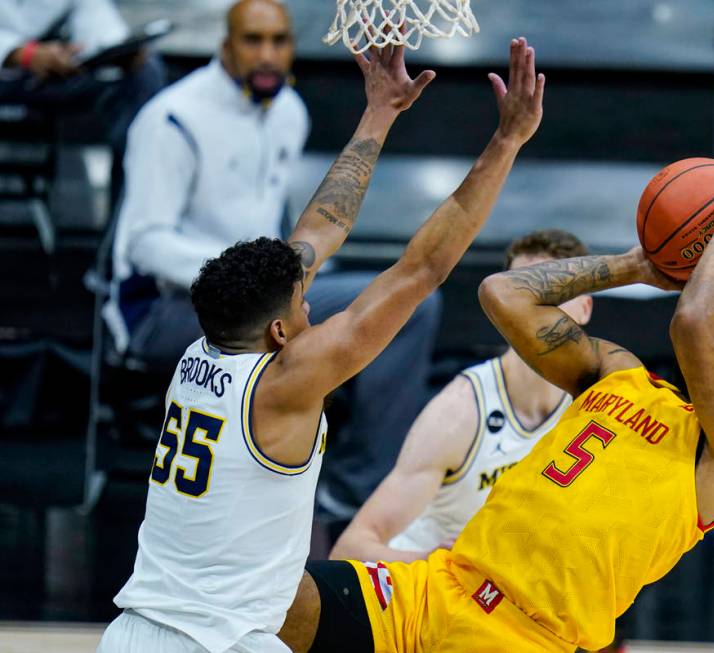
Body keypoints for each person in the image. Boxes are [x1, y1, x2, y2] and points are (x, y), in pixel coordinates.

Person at [98, 32, 543, 653]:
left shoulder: (202, 350)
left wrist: (379, 111)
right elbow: (422, 270)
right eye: (303, 302)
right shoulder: (283, 385)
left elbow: (318, 228)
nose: (310, 303)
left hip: (133, 632)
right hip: (220, 642)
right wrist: (506, 141)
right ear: (281, 331)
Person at [276, 174, 714, 653]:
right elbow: (502, 293)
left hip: (524, 637)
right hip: (434, 589)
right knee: (258, 605)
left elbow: (692, 324)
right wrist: (635, 265)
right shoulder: (621, 374)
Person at [108, 0, 441, 518]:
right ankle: (356, 496)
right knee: (405, 300)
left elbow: (290, 228)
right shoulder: (171, 119)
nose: (267, 55)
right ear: (225, 46)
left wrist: (284, 276)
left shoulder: (289, 110)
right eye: (252, 40)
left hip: (263, 294)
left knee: (409, 305)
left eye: (278, 41)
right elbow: (144, 245)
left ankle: (345, 489)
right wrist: (253, 279)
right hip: (162, 310)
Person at [329, 229, 591, 563]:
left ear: (584, 308)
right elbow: (348, 550)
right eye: (520, 292)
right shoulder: (459, 413)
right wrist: (434, 561)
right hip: (431, 592)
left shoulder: (596, 404)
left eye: (551, 292)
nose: (532, 308)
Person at [0, 0, 166, 200]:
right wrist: (20, 53)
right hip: (10, 67)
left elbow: (94, 16)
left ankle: (129, 215)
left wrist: (118, 50)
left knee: (143, 73)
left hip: (42, 71)